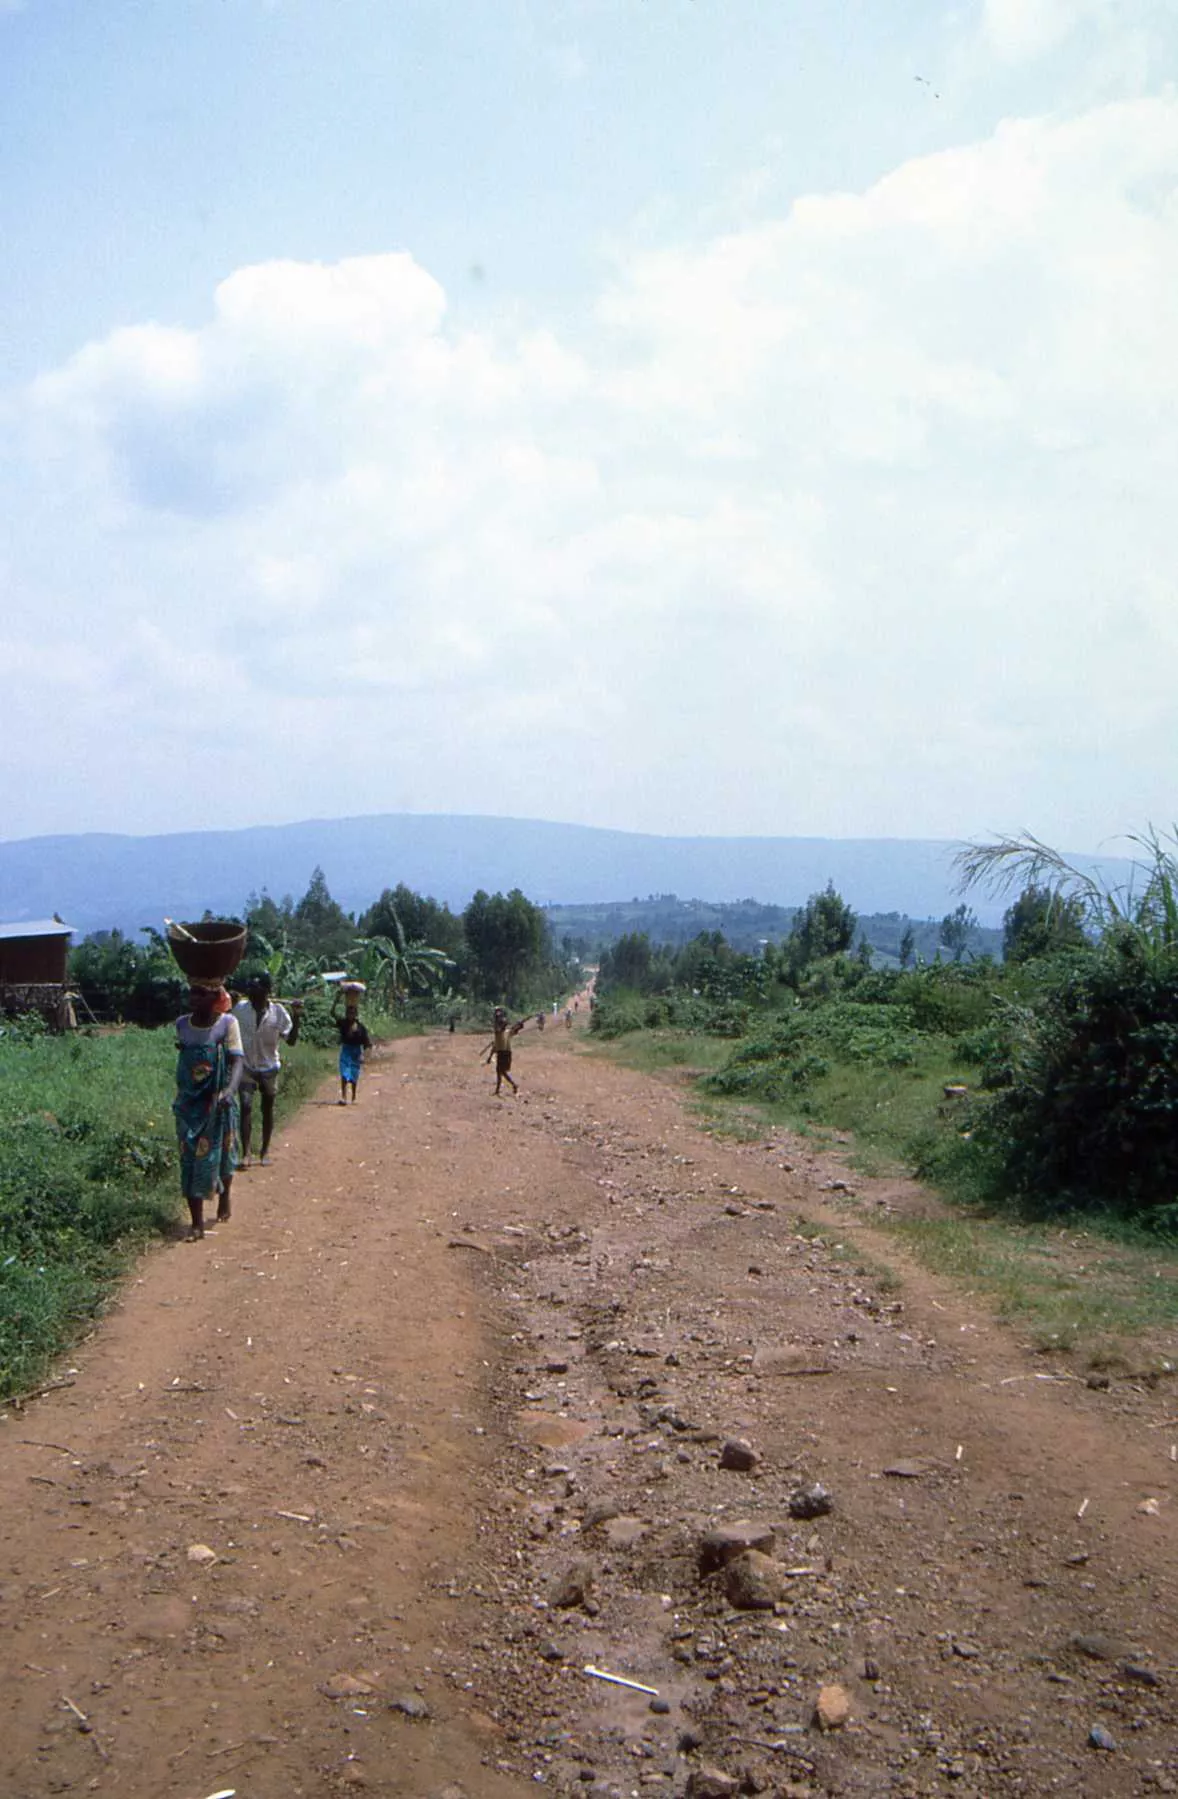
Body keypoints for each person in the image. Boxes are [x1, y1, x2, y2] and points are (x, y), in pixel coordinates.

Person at [173, 981, 244, 1240]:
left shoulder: (227, 1024)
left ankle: (224, 1195)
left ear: (215, 997)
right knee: (190, 1159)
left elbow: (237, 1060)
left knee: (222, 1153)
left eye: (201, 993)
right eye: (192, 992)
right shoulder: (182, 1025)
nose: (194, 998)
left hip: (217, 1100)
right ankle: (196, 1222)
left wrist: (229, 1091)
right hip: (189, 1103)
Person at [232, 972, 302, 1166]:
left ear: (266, 991)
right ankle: (246, 1153)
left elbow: (291, 1041)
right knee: (246, 1105)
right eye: (250, 989)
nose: (251, 993)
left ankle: (265, 1151)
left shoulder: (279, 1013)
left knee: (267, 1108)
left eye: (256, 989)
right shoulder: (239, 1009)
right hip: (246, 1065)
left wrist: (297, 1017)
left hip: (269, 1067)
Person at [332, 990, 372, 1104]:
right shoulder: (343, 1024)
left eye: (352, 1013)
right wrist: (337, 999)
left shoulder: (361, 1028)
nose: (350, 1015)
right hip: (346, 1050)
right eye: (349, 1013)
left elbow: (367, 1044)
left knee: (354, 1074)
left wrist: (364, 1056)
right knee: (344, 1073)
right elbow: (332, 1013)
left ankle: (353, 1096)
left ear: (355, 1014)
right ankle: (344, 1097)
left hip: (356, 1052)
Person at [484, 1005, 525, 1096]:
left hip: (503, 1053)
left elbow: (516, 1029)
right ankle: (500, 1089)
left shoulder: (504, 1032)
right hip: (504, 1053)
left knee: (501, 1071)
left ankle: (512, 1085)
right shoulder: (505, 1032)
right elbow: (495, 1045)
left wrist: (519, 1025)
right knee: (500, 1071)